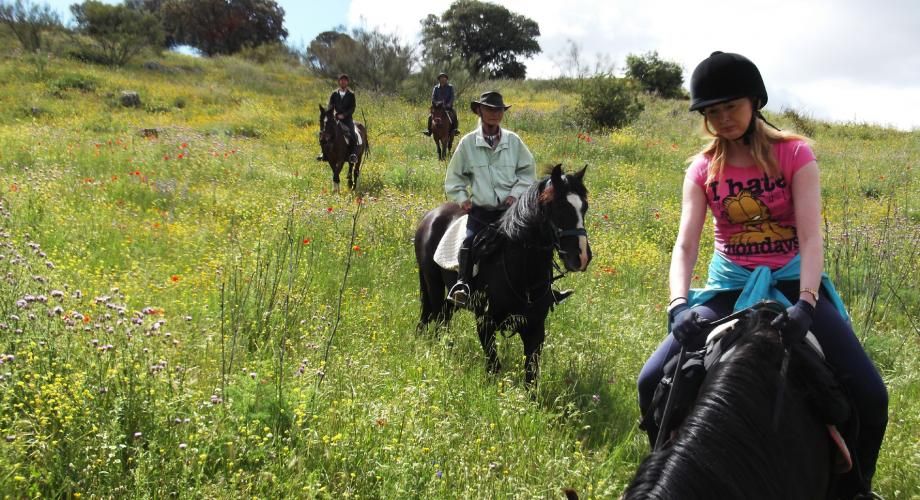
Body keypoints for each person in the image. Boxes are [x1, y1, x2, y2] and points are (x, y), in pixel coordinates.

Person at [635, 51, 888, 498]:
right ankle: (670, 476)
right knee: (651, 379)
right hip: (728, 288)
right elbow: (685, 244)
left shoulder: (795, 154)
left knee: (870, 393)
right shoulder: (701, 169)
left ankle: (857, 490)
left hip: (793, 284)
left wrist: (808, 303)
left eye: (730, 107)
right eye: (712, 112)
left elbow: (811, 238)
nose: (723, 118)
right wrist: (678, 305)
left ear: (755, 102)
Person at [443, 91, 535, 306]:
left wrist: (515, 195)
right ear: (480, 111)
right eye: (489, 109)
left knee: (534, 241)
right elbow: (454, 177)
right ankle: (463, 285)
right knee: (468, 241)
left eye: (499, 110)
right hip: (481, 212)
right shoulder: (467, 143)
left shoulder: (514, 141)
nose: (494, 114)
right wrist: (462, 198)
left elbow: (527, 172)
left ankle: (541, 289)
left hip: (511, 211)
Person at [317, 73, 358, 163]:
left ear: (347, 82)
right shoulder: (334, 94)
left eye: (345, 80)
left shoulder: (351, 94)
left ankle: (353, 154)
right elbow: (330, 106)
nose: (343, 82)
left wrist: (344, 115)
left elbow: (352, 108)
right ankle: (323, 153)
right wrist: (334, 114)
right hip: (336, 118)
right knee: (323, 133)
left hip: (347, 119)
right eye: (341, 80)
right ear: (339, 82)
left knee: (353, 134)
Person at [423, 72, 459, 137]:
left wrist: (449, 104)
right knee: (430, 116)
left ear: (446, 79)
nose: (443, 79)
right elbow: (433, 97)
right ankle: (429, 131)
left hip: (447, 107)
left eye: (444, 78)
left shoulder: (450, 87)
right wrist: (436, 104)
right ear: (439, 79)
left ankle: (455, 129)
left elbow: (452, 97)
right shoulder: (436, 88)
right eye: (441, 78)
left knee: (454, 113)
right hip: (438, 107)